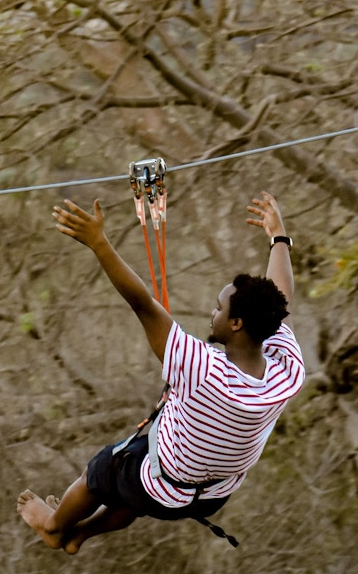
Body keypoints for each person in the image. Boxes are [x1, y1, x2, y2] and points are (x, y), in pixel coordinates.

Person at [17, 191, 305, 554]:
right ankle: (82, 534)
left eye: (218, 309)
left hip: (160, 484)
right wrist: (279, 238)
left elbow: (142, 303)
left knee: (104, 470)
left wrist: (99, 244)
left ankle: (55, 526)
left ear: (235, 323)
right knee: (135, 488)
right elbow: (280, 299)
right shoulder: (287, 373)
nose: (211, 313)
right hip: (212, 496)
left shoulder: (203, 369)